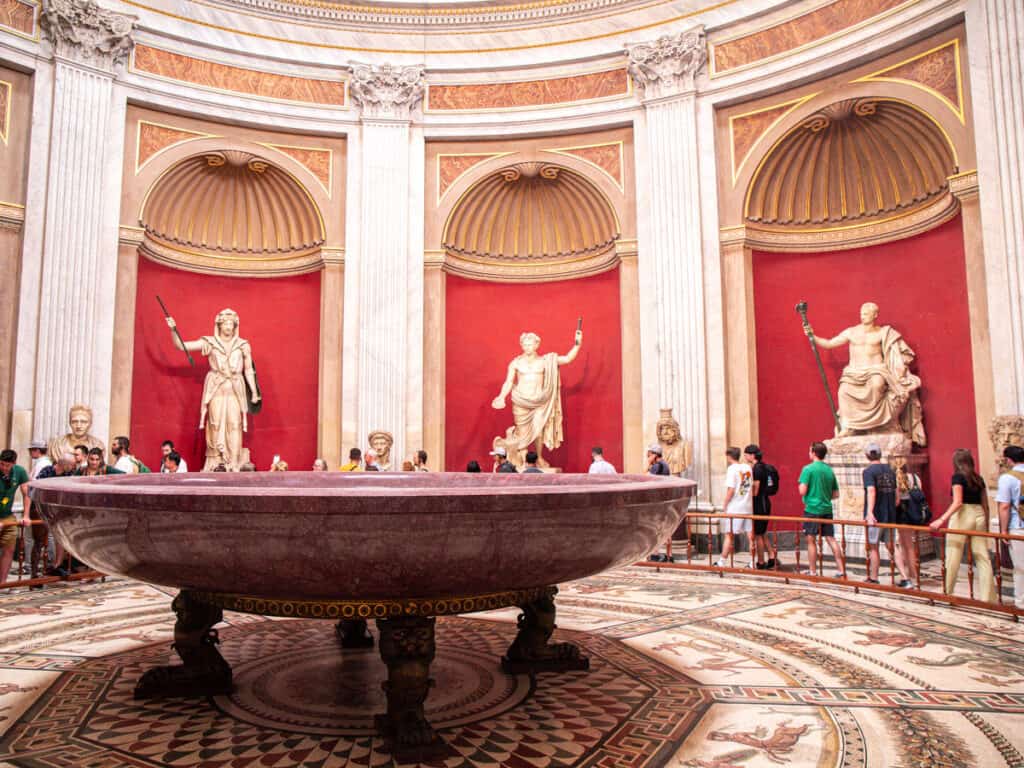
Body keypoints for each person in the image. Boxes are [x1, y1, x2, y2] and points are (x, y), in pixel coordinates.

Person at [803, 302, 925, 444]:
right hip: (854, 372)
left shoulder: (883, 333)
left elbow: (896, 353)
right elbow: (830, 343)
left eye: (866, 314)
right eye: (861, 313)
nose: (863, 316)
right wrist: (812, 335)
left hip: (875, 369)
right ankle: (849, 426)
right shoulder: (851, 332)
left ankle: (877, 425)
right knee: (843, 391)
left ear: (875, 315)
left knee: (876, 385)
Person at [166, 308, 261, 471]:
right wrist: (173, 330)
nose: (229, 326)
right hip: (217, 387)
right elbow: (182, 347)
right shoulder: (210, 342)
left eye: (231, 323)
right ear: (219, 324)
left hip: (234, 389)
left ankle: (233, 461)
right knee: (215, 423)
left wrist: (254, 392)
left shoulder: (243, 345)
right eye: (225, 323)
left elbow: (248, 370)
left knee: (234, 424)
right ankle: (216, 462)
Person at [491, 328, 583, 468]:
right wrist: (501, 396)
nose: (528, 347)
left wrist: (577, 344)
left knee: (538, 431)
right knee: (522, 432)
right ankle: (522, 461)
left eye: (531, 344)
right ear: (522, 345)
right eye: (525, 344)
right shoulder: (516, 363)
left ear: (536, 345)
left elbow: (567, 359)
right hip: (520, 401)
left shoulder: (545, 361)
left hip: (539, 401)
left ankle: (539, 458)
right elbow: (509, 382)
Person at [929, 449, 995, 602]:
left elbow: (957, 502)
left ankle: (947, 592)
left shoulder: (958, 477)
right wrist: (986, 524)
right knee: (983, 557)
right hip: (979, 514)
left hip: (963, 514)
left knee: (953, 554)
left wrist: (941, 519)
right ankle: (988, 598)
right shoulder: (979, 478)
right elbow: (985, 504)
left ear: (956, 462)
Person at [798, 442, 847, 578]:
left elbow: (802, 490)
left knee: (811, 540)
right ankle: (841, 569)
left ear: (814, 453)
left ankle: (813, 571)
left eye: (810, 451)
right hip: (826, 508)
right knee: (831, 538)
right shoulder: (829, 470)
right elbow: (836, 494)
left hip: (812, 509)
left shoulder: (808, 469)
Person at [862, 442, 908, 586]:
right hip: (890, 514)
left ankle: (874, 578)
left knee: (873, 547)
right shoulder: (890, 470)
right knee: (892, 546)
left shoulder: (868, 472)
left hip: (876, 515)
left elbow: (871, 491)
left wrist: (869, 512)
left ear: (867, 455)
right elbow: (897, 494)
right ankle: (905, 578)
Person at [995, 445, 1024, 610]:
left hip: (1018, 525)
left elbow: (1004, 506)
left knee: (1021, 568)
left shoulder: (1008, 478)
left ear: (1008, 460)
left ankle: (1021, 604)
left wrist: (1004, 530)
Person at [717, 447, 753, 567]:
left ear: (728, 456)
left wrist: (725, 504)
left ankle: (722, 560)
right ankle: (753, 561)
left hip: (736, 506)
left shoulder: (732, 469)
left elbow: (731, 489)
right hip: (747, 505)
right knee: (750, 535)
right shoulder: (747, 468)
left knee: (729, 534)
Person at [0, 449, 31, 586]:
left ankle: (3, 582)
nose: (4, 468)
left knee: (9, 548)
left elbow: (27, 493)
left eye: (7, 465)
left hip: (7, 516)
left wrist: (26, 515)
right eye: (1, 464)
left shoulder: (19, 472)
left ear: (13, 463)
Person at [744, 444, 776, 570]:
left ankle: (761, 561)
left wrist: (746, 495)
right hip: (765, 502)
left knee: (758, 534)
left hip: (759, 504)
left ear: (752, 455)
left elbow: (755, 490)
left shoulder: (756, 469)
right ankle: (772, 557)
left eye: (746, 454)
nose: (745, 457)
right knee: (762, 533)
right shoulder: (763, 467)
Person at [891, 456, 921, 585]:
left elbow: (897, 501)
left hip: (901, 512)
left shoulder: (896, 479)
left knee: (904, 544)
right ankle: (912, 572)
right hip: (912, 510)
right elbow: (920, 493)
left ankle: (911, 573)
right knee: (908, 543)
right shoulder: (915, 478)